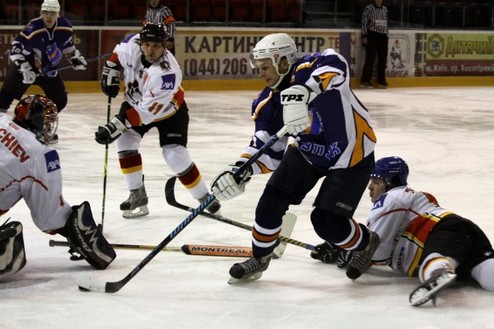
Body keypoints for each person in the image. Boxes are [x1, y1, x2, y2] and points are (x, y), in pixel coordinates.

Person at [210, 33, 379, 284]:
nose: (260, 72)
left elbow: (337, 63)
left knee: (327, 223)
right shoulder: (267, 104)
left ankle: (366, 244)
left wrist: (305, 91)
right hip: (307, 152)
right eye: (257, 67)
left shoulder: (311, 68)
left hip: (351, 154)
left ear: (283, 61)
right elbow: (268, 149)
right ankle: (260, 257)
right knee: (269, 203)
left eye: (265, 66)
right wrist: (241, 169)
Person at [311, 156, 494, 306]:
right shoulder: (408, 198)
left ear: (391, 183)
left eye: (376, 181)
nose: (370, 187)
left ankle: (439, 272)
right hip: (463, 232)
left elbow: (376, 250)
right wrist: (340, 248)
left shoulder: (392, 197)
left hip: (440, 231)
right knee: (480, 268)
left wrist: (346, 252)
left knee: (436, 258)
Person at [95, 23, 220, 219]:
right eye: (146, 45)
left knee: (174, 155)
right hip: (135, 103)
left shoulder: (167, 72)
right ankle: (137, 194)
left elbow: (146, 113)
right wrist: (110, 71)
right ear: (141, 43)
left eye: (156, 46)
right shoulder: (132, 43)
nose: (150, 50)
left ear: (165, 46)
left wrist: (116, 124)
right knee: (125, 141)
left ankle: (204, 196)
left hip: (169, 111)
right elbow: (117, 54)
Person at [0, 95, 116, 280]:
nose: (48, 127)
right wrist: (76, 231)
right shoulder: (40, 154)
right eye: (46, 121)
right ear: (36, 120)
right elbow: (48, 218)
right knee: (8, 250)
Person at [0, 0, 87, 143]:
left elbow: (67, 46)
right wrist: (24, 68)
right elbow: (15, 49)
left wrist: (75, 58)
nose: (48, 17)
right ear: (41, 13)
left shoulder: (65, 27)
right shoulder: (32, 28)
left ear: (58, 14)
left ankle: (38, 128)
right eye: (46, 13)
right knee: (4, 97)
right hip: (28, 66)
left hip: (48, 69)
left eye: (52, 13)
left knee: (59, 100)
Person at [360, 0, 388, 89]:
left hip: (383, 36)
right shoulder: (369, 8)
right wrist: (364, 35)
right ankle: (365, 80)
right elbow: (364, 22)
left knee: (383, 59)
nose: (379, 0)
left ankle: (381, 81)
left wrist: (386, 34)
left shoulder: (385, 9)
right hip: (372, 35)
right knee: (370, 59)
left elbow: (386, 23)